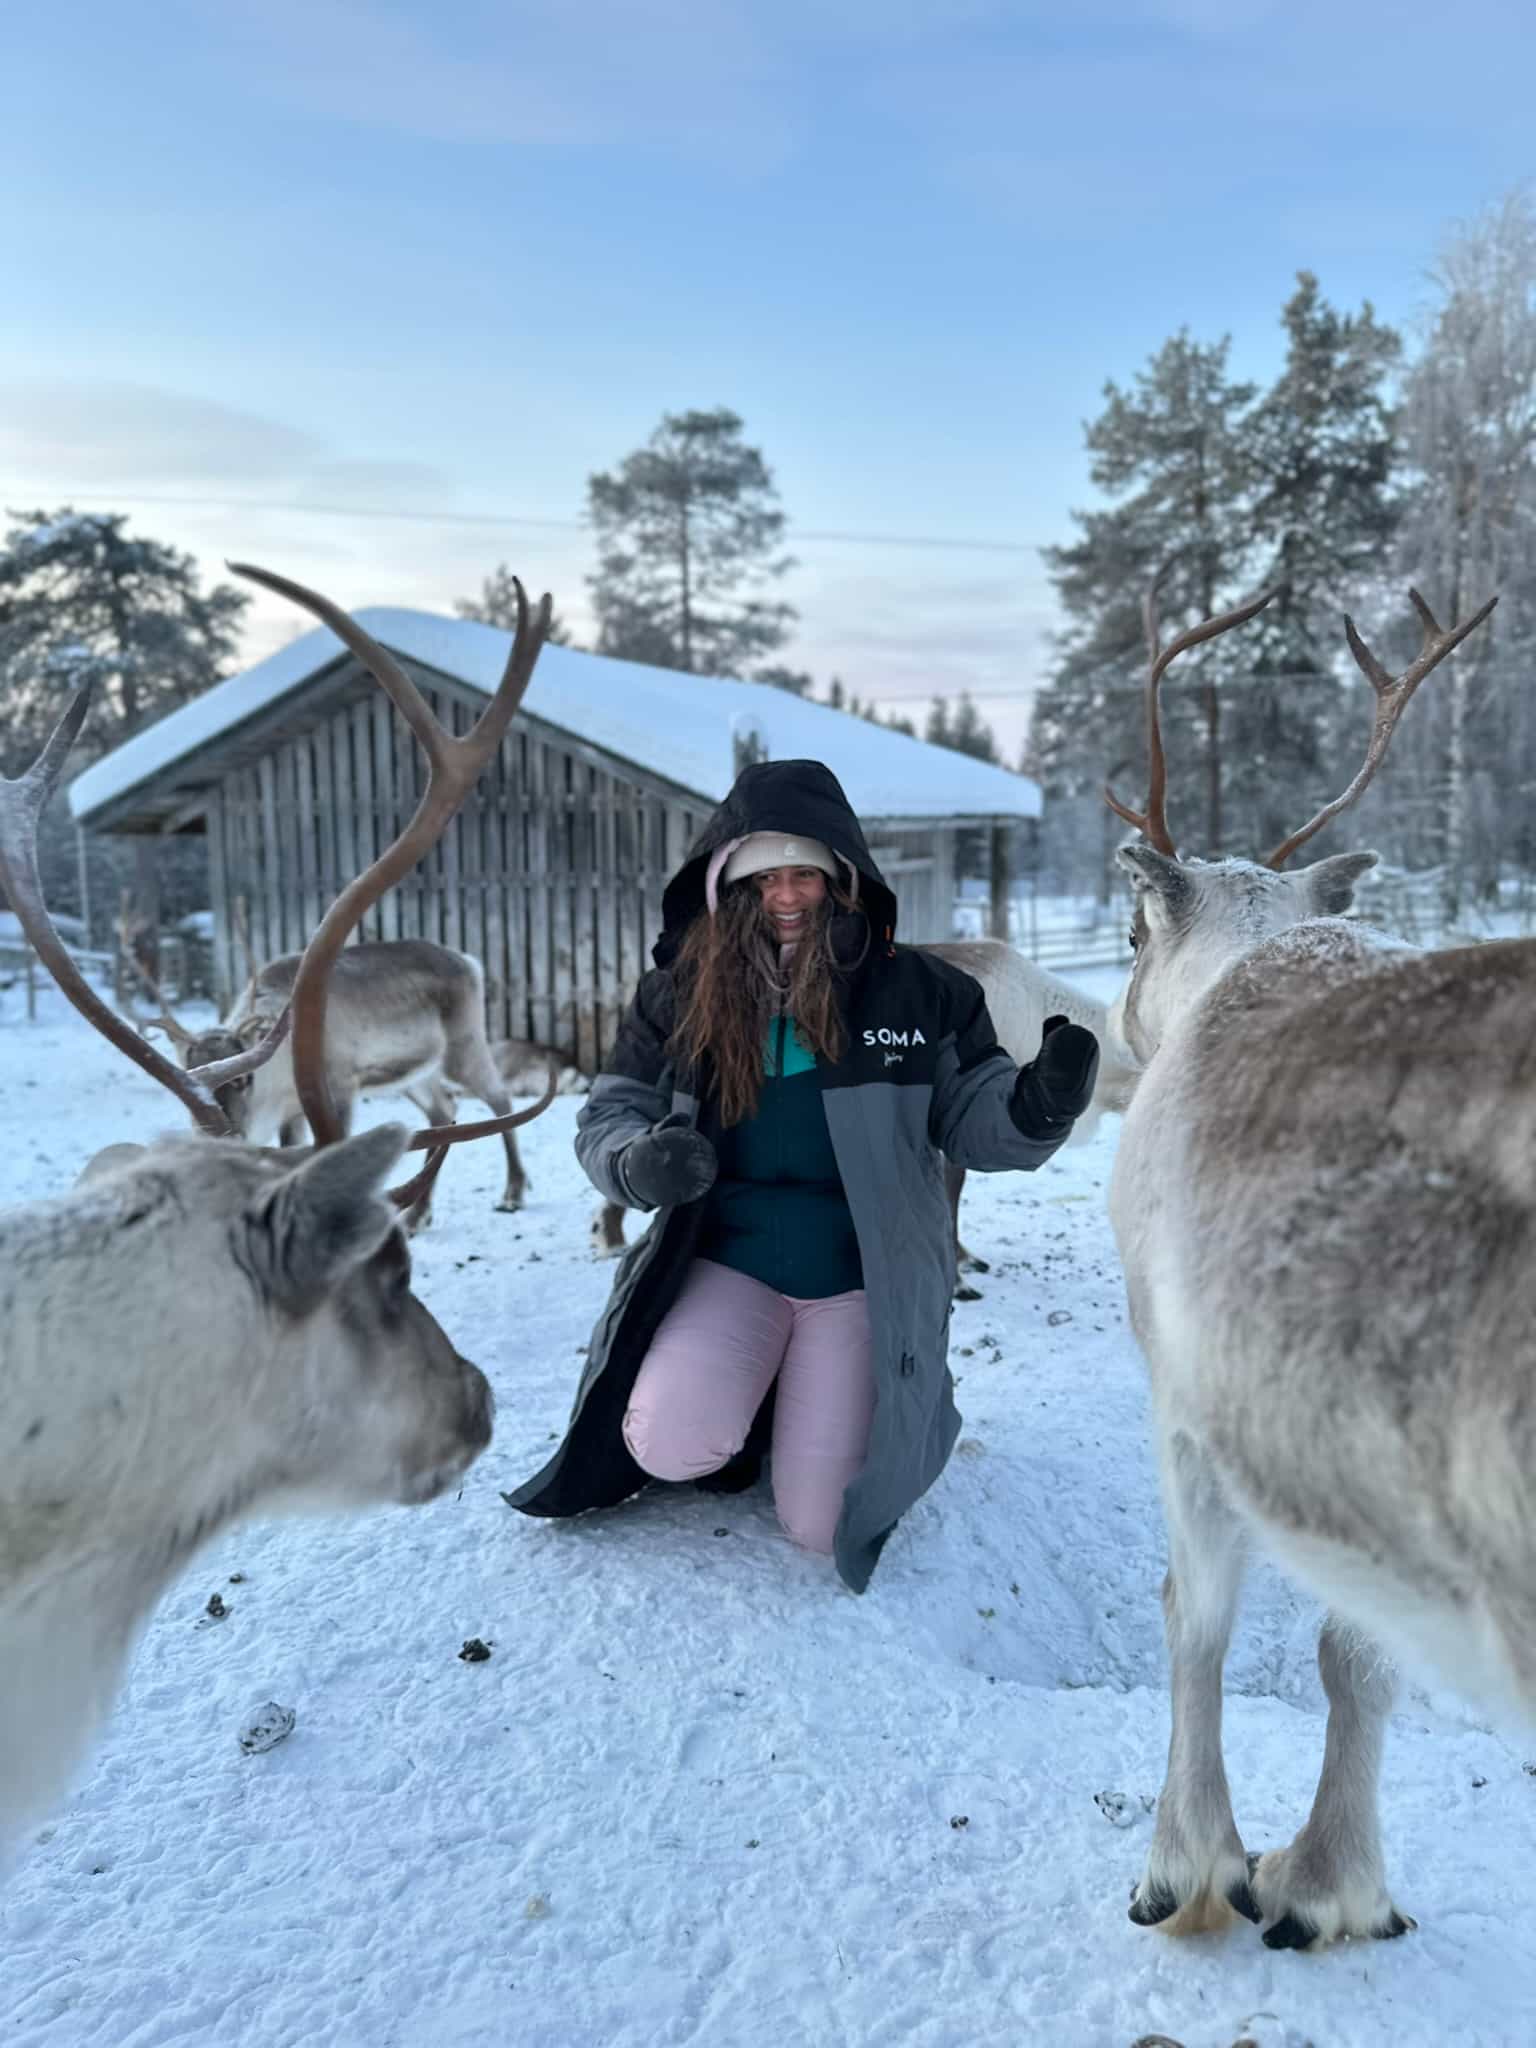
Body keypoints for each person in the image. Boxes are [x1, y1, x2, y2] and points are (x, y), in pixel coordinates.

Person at [507, 759, 1098, 1593]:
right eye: (765, 879)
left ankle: (898, 1402)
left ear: (843, 880)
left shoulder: (921, 994)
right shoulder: (676, 997)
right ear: (726, 887)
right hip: (730, 1263)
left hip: (861, 1276)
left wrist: (1038, 1108)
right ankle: (763, 1398)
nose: (786, 898)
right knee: (669, 1446)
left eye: (805, 877)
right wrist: (638, 1162)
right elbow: (611, 1114)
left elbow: (975, 1112)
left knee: (824, 1523)